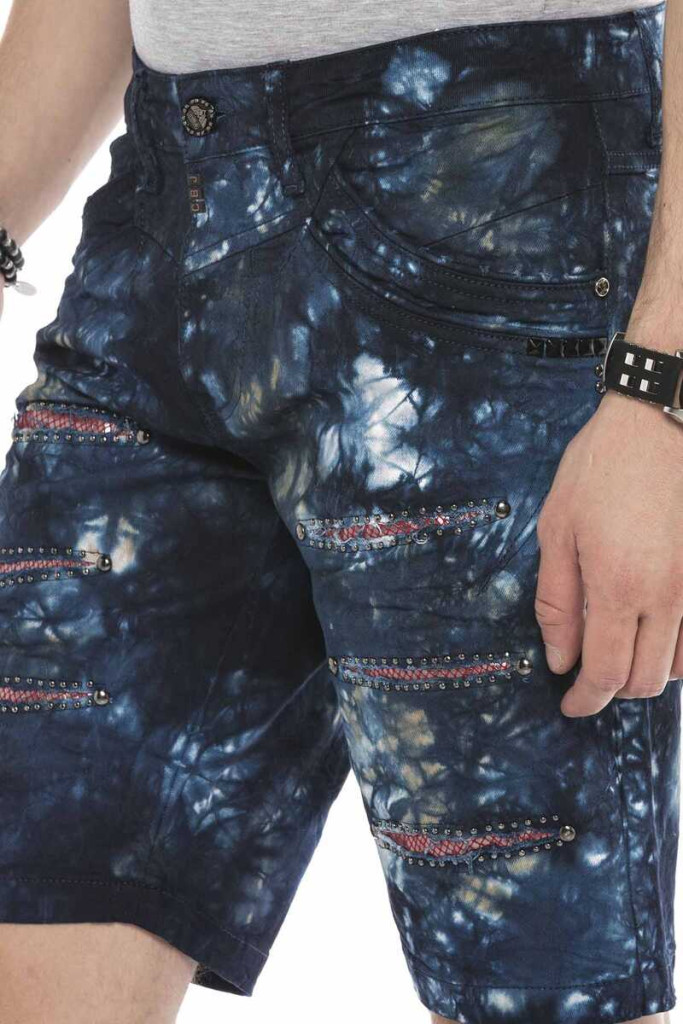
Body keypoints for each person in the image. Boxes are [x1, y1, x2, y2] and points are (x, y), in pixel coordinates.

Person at [0, 0, 678, 1022]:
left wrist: (660, 391)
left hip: (493, 217)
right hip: (160, 234)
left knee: (535, 998)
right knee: (35, 908)